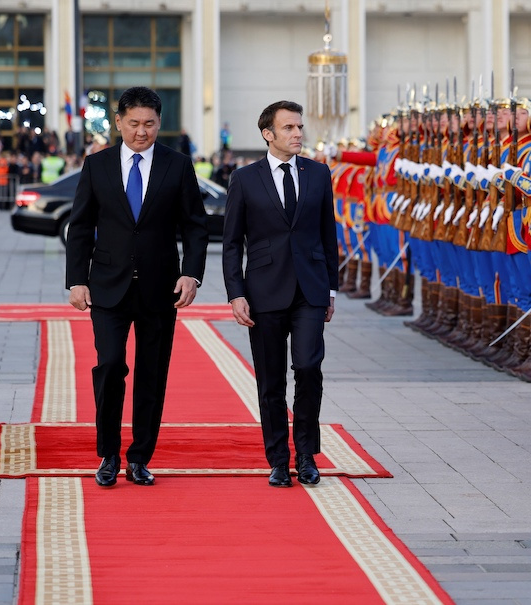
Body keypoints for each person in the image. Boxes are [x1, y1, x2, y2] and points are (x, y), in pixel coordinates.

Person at [65, 86, 209, 488]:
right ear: (118, 123)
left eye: (149, 124)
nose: (141, 132)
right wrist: (76, 280)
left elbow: (195, 226)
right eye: (133, 124)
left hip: (161, 289)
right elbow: (79, 228)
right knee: (109, 366)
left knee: (152, 375)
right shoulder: (98, 165)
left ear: (159, 123)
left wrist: (191, 274)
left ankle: (140, 457)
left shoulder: (177, 166)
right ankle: (108, 454)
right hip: (107, 288)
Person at [222, 100, 339, 488]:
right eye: (288, 128)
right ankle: (277, 458)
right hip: (263, 292)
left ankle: (306, 454)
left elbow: (328, 235)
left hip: (310, 290)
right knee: (270, 381)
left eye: (299, 127)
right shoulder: (244, 178)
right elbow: (231, 243)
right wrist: (235, 293)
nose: (298, 134)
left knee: (308, 368)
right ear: (267, 134)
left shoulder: (319, 175)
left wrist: (331, 289)